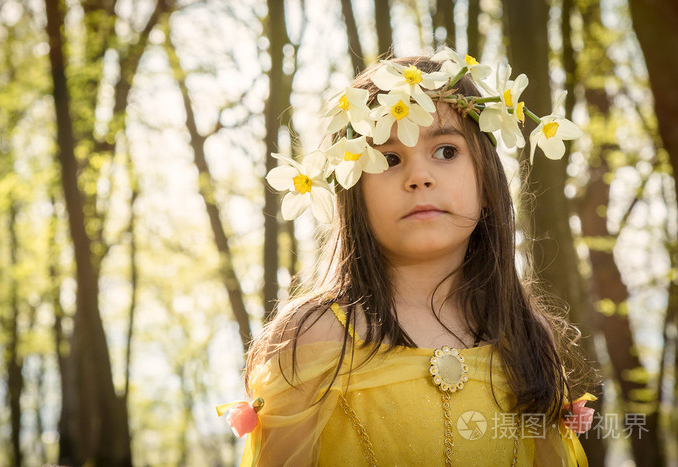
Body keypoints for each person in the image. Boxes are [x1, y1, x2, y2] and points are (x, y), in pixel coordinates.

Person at [218, 50, 596, 466]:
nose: (419, 177)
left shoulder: (524, 335)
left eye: (446, 152)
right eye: (391, 158)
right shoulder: (314, 337)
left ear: (487, 183)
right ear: (353, 193)